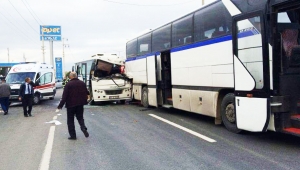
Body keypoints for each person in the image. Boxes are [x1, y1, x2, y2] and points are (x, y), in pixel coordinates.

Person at [57, 72, 90, 140]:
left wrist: (60, 105)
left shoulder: (68, 84)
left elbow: (64, 96)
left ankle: (73, 136)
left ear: (71, 77)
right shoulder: (82, 83)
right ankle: (83, 127)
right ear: (76, 76)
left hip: (70, 105)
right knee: (80, 118)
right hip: (80, 104)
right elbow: (87, 92)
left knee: (70, 120)